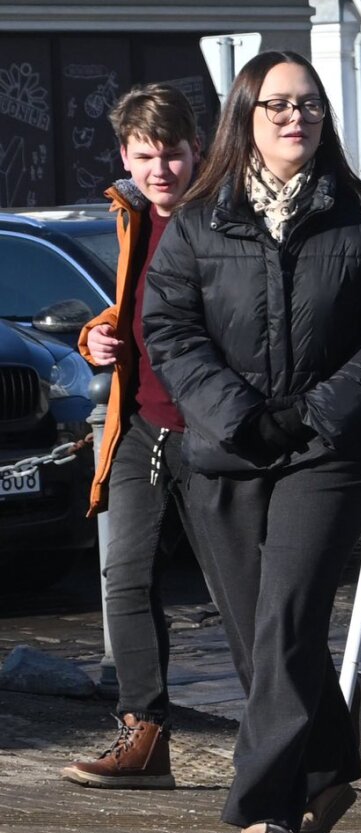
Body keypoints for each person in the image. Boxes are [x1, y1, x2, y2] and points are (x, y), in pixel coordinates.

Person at [142, 51, 361, 833]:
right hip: (227, 449)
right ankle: (329, 761)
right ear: (246, 116)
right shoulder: (200, 221)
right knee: (255, 636)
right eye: (277, 105)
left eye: (308, 104)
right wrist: (237, 414)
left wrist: (322, 410)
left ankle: (265, 807)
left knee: (289, 620)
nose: (295, 117)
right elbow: (170, 329)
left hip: (326, 451)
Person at [62, 85, 202, 791]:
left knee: (251, 592)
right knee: (126, 578)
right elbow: (130, 303)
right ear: (125, 156)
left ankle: (309, 728)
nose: (159, 170)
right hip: (141, 422)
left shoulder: (219, 218)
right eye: (145, 156)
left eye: (171, 155)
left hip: (211, 427)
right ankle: (143, 733)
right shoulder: (132, 216)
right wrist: (96, 334)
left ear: (196, 151)